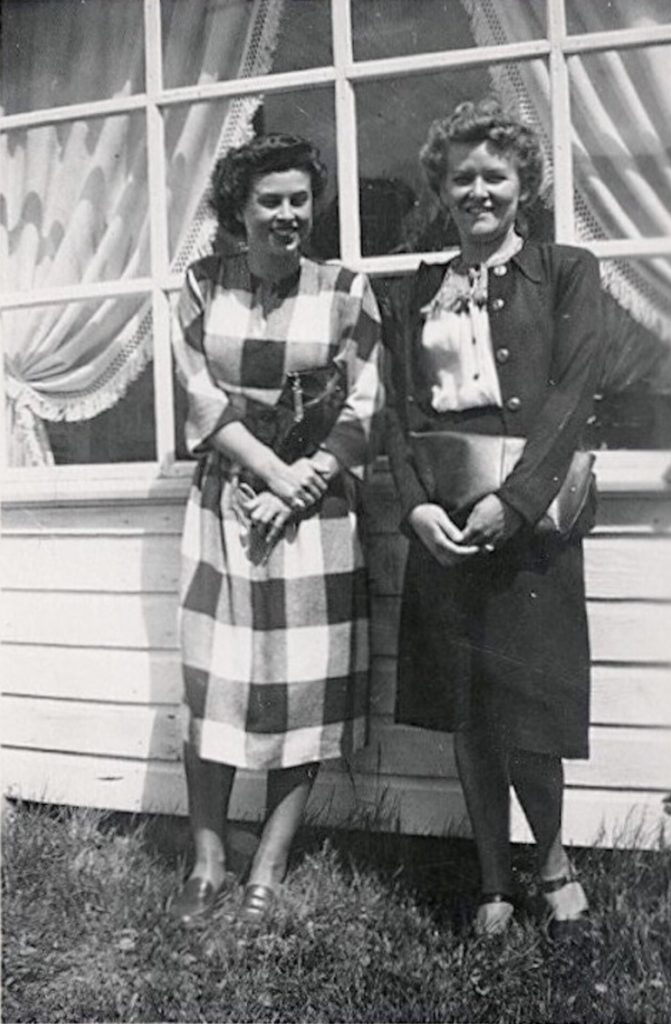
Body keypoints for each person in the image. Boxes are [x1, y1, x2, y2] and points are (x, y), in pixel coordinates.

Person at [384, 99, 601, 938]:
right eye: (461, 176)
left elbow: (574, 396)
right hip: (444, 525)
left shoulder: (567, 271)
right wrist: (413, 511)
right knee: (468, 709)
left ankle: (549, 860)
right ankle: (491, 880)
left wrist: (513, 504)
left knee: (532, 712)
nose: (478, 191)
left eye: (494, 176)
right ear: (441, 189)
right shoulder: (412, 291)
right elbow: (396, 415)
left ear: (523, 185)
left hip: (530, 524)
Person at [170, 133, 383, 926]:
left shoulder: (345, 291)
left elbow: (365, 405)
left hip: (314, 512)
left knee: (302, 689)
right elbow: (200, 398)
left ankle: (268, 865)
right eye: (271, 200)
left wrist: (303, 483)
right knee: (214, 680)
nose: (289, 214)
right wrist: (269, 472)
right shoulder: (199, 286)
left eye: (300, 199)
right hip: (227, 501)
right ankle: (206, 860)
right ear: (239, 210)